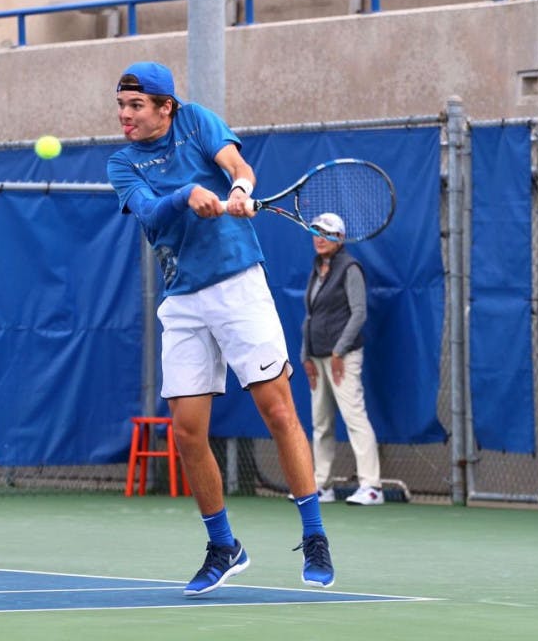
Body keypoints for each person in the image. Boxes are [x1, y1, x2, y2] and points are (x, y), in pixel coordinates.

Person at [107, 61, 334, 596]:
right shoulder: (122, 162)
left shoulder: (198, 121)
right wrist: (188, 195)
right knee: (187, 431)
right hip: (181, 298)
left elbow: (239, 165)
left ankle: (316, 535)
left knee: (277, 409)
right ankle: (224, 546)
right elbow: (150, 216)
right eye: (121, 106)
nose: (125, 116)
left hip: (237, 284)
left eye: (136, 106)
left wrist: (236, 188)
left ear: (167, 107)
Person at [300, 213, 384, 506]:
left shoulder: (350, 268)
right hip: (317, 356)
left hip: (343, 357)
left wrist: (339, 351)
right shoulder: (316, 268)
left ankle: (372, 487)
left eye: (326, 233)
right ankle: (321, 486)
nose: (319, 237)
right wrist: (306, 355)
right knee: (320, 423)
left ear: (340, 238)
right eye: (315, 231)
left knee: (354, 418)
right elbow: (311, 315)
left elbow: (358, 313)